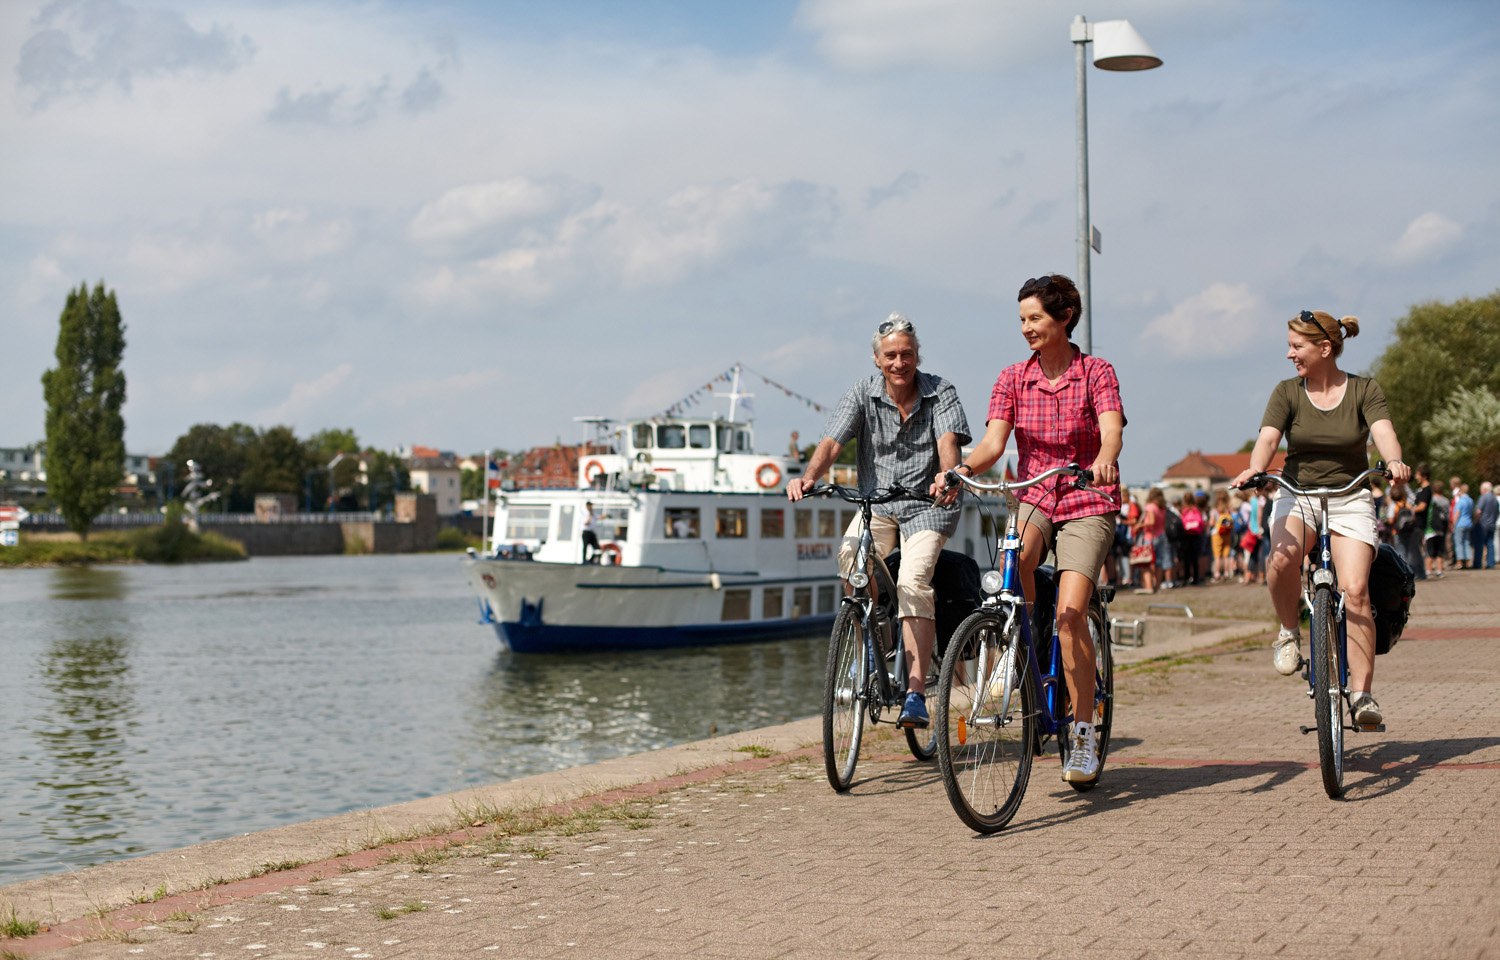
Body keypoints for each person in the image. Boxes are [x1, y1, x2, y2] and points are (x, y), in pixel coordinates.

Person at [936, 274, 1124, 784]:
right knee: (1010, 574)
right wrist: (964, 471)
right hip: (1035, 493)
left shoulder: (1096, 373)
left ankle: (1082, 733)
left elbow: (1111, 432)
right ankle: (1018, 650)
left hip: (1087, 496)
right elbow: (995, 444)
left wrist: (1105, 460)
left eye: (1035, 318)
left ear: (1064, 318)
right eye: (1021, 319)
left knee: (1069, 613)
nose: (1026, 328)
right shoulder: (1012, 378)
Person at [788, 312, 971, 731]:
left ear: (917, 355)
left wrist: (948, 474)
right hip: (878, 503)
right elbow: (833, 440)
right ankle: (875, 635)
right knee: (852, 561)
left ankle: (913, 693)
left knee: (912, 581)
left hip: (929, 505)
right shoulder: (861, 393)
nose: (899, 363)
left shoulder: (940, 391)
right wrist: (809, 477)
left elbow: (948, 443)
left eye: (906, 354)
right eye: (890, 355)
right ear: (876, 359)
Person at [1232, 309, 1410, 728]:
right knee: (1281, 557)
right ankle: (1289, 631)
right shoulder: (1287, 392)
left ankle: (1363, 695)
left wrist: (1395, 460)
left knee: (1356, 590)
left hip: (1351, 496)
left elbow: (1383, 432)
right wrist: (1255, 469)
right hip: (1299, 495)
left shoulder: (1364, 389)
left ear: (1324, 348)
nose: (1289, 354)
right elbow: (1269, 439)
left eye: (1297, 346)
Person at [1210, 489, 1235, 582]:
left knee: (1217, 556)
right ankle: (1226, 572)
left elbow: (1212, 522)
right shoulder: (1228, 509)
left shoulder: (1215, 509)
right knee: (1226, 554)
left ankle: (1217, 573)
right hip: (1227, 534)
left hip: (1217, 534)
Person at [1477, 480, 1498, 570]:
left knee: (1480, 544)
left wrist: (1476, 520)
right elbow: (1497, 512)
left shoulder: (1483, 497)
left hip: (1483, 524)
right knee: (1490, 544)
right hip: (1492, 524)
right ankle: (1491, 563)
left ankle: (1477, 563)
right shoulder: (1494, 498)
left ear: (1484, 489)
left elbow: (1479, 511)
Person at [1453, 482, 1474, 570]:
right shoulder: (1470, 500)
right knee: (1467, 542)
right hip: (1468, 523)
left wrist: (1453, 524)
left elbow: (1457, 514)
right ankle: (1468, 562)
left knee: (1459, 543)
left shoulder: (1461, 501)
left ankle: (1460, 562)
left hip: (1460, 523)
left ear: (1461, 491)